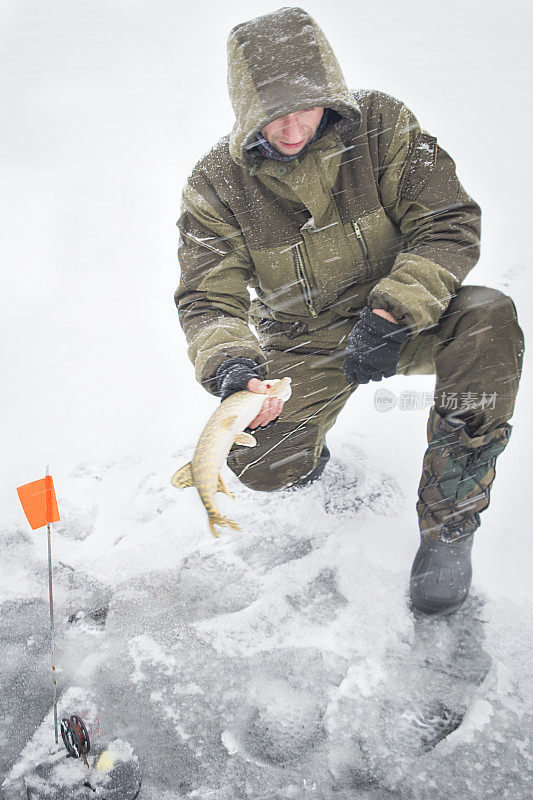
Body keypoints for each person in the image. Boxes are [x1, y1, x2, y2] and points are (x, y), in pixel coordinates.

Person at [174, 7, 524, 615]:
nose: (290, 130)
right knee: (259, 464)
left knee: (489, 319)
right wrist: (234, 366)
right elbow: (208, 296)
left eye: (304, 109)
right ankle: (308, 455)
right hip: (302, 343)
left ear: (329, 95)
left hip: (405, 314)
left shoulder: (381, 125)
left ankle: (450, 527)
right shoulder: (216, 183)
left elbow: (447, 222)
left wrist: (395, 312)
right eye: (272, 115)